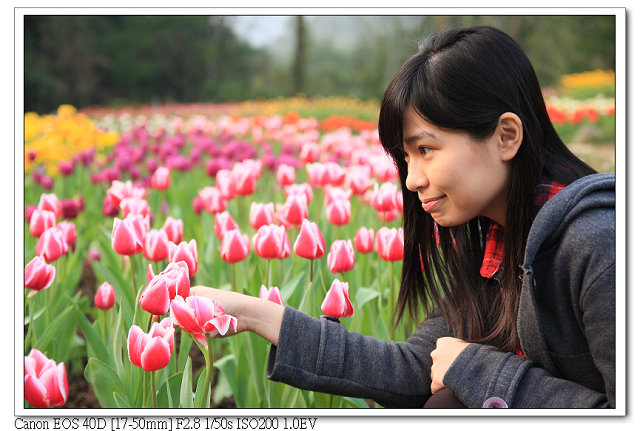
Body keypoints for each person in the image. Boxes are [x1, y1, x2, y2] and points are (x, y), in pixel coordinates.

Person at [191, 26, 615, 408]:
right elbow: (417, 366)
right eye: (405, 157)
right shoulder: (494, 243)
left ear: (506, 136)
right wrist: (254, 315)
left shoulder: (598, 244)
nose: (411, 180)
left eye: (426, 149)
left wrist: (479, 370)